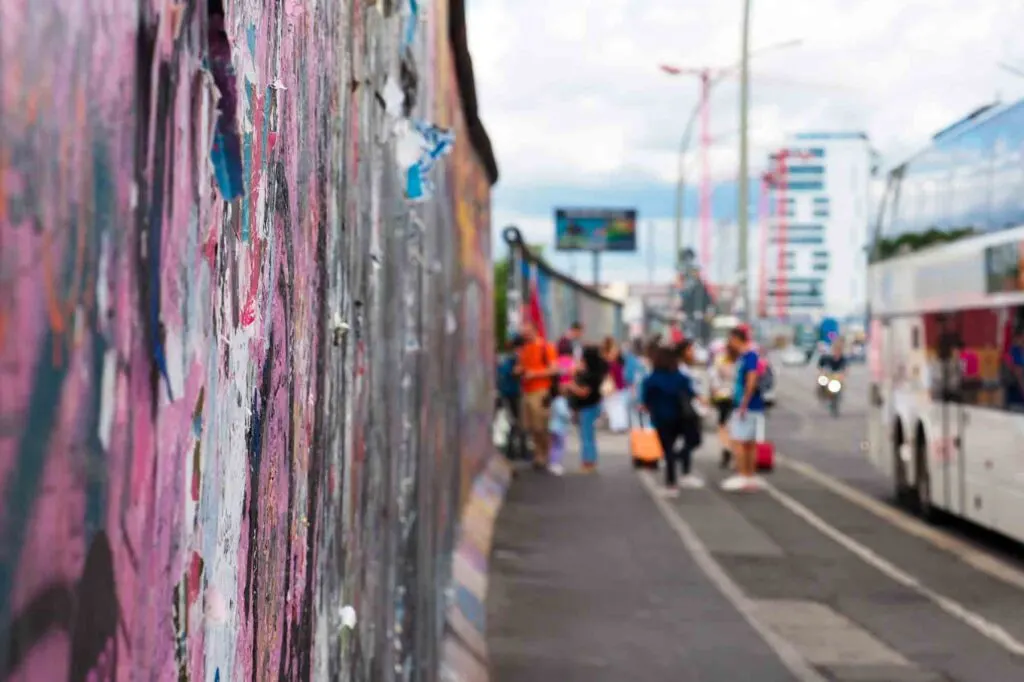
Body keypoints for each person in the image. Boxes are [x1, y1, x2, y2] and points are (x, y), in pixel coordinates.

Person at [641, 342, 704, 496]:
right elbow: (690, 394)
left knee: (667, 449)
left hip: (661, 418)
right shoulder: (681, 377)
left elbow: (645, 402)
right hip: (682, 417)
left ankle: (671, 484)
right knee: (688, 442)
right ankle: (681, 460)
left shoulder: (650, 379)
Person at [722, 326, 766, 492]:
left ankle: (743, 475)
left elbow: (751, 380)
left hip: (745, 405)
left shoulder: (749, 356)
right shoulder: (748, 355)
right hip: (751, 405)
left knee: (739, 441)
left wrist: (743, 404)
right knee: (749, 442)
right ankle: (749, 476)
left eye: (730, 339)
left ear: (736, 339)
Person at [516, 321, 557, 470]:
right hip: (526, 391)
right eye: (523, 333)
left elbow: (554, 369)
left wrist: (535, 374)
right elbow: (522, 366)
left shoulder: (547, 347)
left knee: (541, 426)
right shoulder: (524, 349)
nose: (524, 335)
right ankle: (538, 453)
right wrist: (518, 370)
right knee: (531, 426)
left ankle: (544, 454)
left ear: (534, 331)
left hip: (541, 391)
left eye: (526, 332)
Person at [566, 345, 608, 473]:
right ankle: (589, 461)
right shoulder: (595, 371)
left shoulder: (591, 375)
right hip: (591, 406)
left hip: (588, 407)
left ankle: (588, 463)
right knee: (588, 435)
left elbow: (583, 392)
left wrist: (571, 387)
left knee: (587, 436)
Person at [496, 335, 527, 460]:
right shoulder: (510, 359)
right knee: (514, 421)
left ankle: (518, 448)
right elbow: (505, 373)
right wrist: (517, 371)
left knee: (518, 422)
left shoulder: (513, 359)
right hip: (510, 394)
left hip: (514, 393)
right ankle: (513, 449)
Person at [710, 341, 739, 469]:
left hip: (721, 396)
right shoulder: (739, 361)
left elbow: (713, 378)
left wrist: (713, 393)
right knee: (733, 424)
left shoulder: (719, 360)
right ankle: (732, 450)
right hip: (735, 396)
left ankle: (726, 447)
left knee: (722, 425)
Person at [601, 337, 629, 433]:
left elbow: (610, 376)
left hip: (615, 387)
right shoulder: (617, 363)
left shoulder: (612, 364)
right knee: (617, 407)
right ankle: (619, 425)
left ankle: (617, 425)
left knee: (615, 406)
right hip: (618, 387)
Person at [547, 384, 572, 476]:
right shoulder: (561, 401)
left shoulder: (554, 401)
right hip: (560, 428)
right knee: (560, 446)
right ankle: (556, 464)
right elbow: (563, 414)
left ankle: (552, 463)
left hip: (552, 427)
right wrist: (570, 416)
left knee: (553, 446)